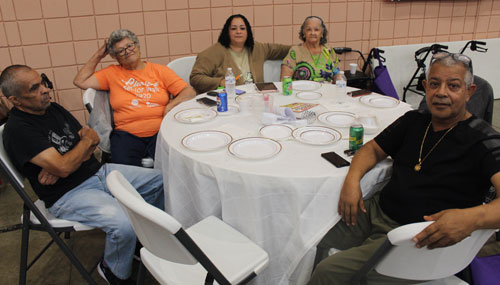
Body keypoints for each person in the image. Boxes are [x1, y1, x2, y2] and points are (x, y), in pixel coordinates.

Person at [309, 52, 500, 284]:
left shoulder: (485, 140)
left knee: (328, 271)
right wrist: (352, 180)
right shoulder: (414, 121)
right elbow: (371, 150)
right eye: (434, 84)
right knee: (309, 243)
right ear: (425, 87)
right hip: (376, 212)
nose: (441, 92)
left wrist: (471, 218)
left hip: (415, 238)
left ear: (469, 92)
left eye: (453, 86)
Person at [1, 65, 165, 285]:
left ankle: (136, 243)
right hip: (68, 193)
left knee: (161, 181)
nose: (45, 90)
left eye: (42, 82)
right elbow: (71, 158)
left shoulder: (53, 108)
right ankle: (113, 271)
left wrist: (68, 161)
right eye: (34, 88)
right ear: (16, 99)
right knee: (123, 223)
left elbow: (92, 137)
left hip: (98, 172)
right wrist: (72, 158)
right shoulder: (19, 130)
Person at [73, 29, 196, 166]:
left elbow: (189, 91)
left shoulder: (159, 71)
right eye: (120, 51)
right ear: (115, 56)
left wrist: (171, 105)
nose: (127, 51)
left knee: (175, 165)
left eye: (129, 46)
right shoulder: (111, 73)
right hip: (126, 134)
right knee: (125, 172)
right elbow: (80, 81)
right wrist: (99, 55)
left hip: (161, 131)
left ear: (137, 46)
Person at [190, 14, 290, 94]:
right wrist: (220, 82)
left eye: (242, 28)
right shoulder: (214, 52)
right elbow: (195, 78)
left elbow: (284, 50)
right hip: (229, 101)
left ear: (248, 32)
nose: (238, 32)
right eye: (233, 28)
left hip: (256, 99)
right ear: (227, 32)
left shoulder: (257, 48)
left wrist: (303, 47)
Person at [281, 16, 341, 82]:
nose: (312, 33)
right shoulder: (295, 51)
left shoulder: (329, 51)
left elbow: (338, 77)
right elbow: (284, 80)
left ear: (322, 33)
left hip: (326, 91)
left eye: (316, 30)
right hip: (301, 91)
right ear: (304, 33)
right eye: (309, 29)